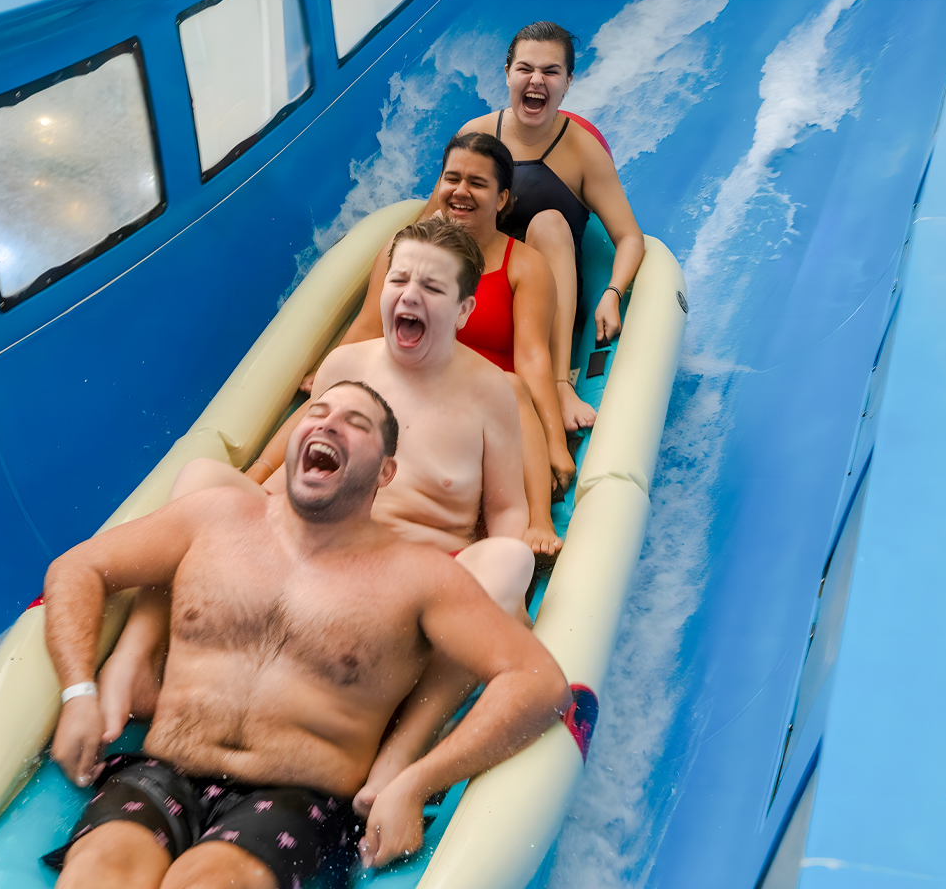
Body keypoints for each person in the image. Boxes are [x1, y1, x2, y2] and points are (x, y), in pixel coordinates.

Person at [99, 215, 546, 820]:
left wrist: (504, 596)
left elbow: (506, 510)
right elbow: (298, 461)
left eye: (433, 289)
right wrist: (251, 485)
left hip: (410, 586)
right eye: (400, 279)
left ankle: (402, 748)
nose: (410, 296)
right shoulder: (346, 366)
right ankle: (137, 657)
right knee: (202, 482)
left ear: (465, 311)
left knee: (508, 557)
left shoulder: (490, 390)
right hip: (308, 551)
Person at [43, 381, 571, 889]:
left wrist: (418, 780)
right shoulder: (214, 518)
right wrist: (78, 691)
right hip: (163, 773)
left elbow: (538, 681)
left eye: (355, 422)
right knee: (98, 874)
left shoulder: (419, 576)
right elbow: (78, 569)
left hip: (299, 799)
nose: (329, 423)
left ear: (385, 472)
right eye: (318, 413)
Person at [328, 133, 574, 508]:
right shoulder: (404, 252)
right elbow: (367, 329)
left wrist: (554, 441)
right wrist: (327, 375)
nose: (461, 191)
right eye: (452, 179)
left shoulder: (524, 266)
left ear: (502, 198)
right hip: (411, 395)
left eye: (477, 183)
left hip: (483, 413)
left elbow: (533, 357)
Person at [460, 20, 646, 432]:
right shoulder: (476, 137)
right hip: (486, 291)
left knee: (548, 224)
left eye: (551, 71)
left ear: (568, 82)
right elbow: (439, 218)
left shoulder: (582, 151)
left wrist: (612, 293)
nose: (536, 80)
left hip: (549, 309)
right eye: (525, 68)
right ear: (507, 73)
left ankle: (560, 384)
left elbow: (629, 236)